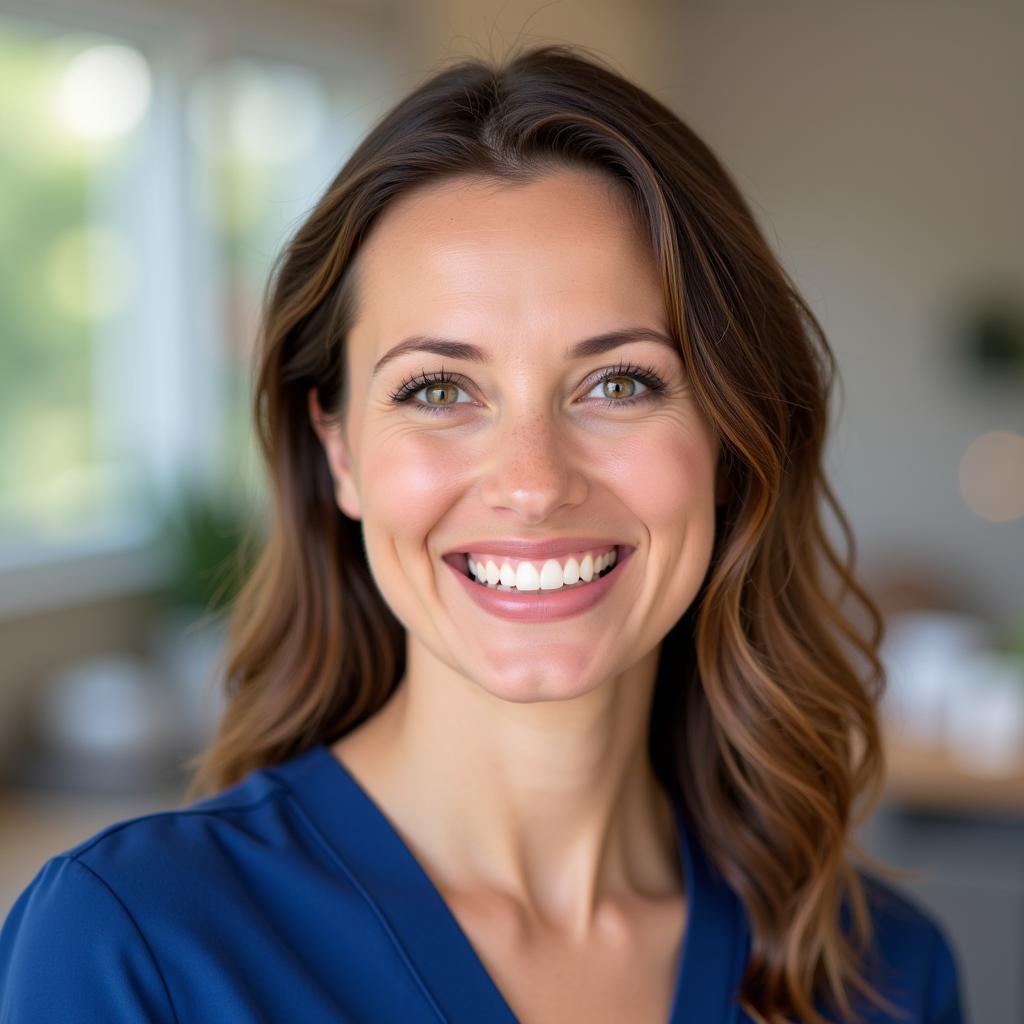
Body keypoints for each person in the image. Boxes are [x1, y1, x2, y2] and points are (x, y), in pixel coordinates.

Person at [0, 42, 966, 1024]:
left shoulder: (878, 973)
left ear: (730, 438)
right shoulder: (132, 945)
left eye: (619, 382)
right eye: (439, 390)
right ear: (336, 449)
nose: (533, 484)